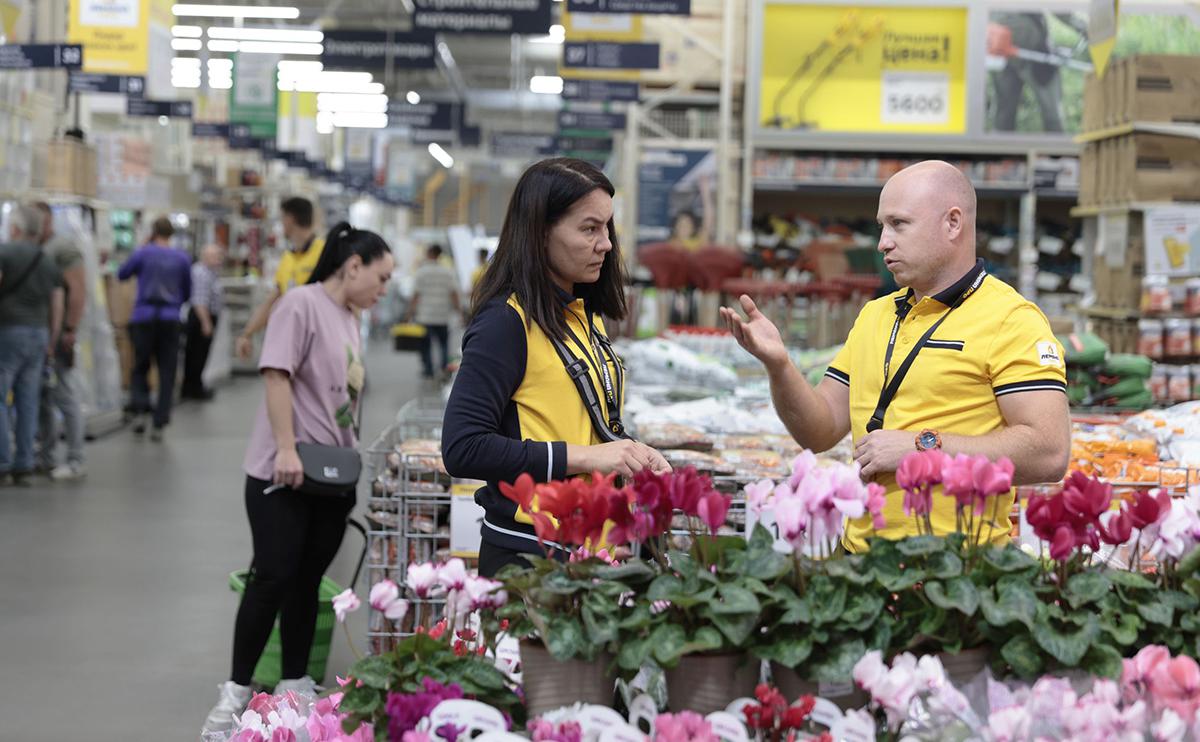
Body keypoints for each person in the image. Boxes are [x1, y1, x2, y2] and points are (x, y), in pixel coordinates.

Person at [721, 160, 1071, 553]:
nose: (882, 242)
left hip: (958, 568)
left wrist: (922, 448)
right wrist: (779, 365)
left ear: (953, 224)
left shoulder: (1012, 320)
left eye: (899, 224)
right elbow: (818, 431)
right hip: (860, 559)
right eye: (882, 226)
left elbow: (1049, 451)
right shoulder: (876, 314)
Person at [201, 223, 394, 734]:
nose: (385, 288)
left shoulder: (350, 316)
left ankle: (294, 688)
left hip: (332, 476)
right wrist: (286, 447)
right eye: (381, 276)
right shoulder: (300, 305)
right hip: (282, 471)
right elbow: (276, 374)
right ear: (353, 266)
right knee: (272, 578)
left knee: (308, 584)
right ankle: (235, 692)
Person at [441, 157, 672, 577]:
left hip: (588, 551)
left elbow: (577, 420)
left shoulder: (583, 316)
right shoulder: (506, 324)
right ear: (540, 232)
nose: (605, 243)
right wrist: (588, 458)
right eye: (589, 229)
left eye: (607, 228)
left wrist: (630, 454)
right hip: (532, 559)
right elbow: (463, 448)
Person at [0, 204, 63, 486]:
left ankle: (2, 460)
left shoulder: (6, 252)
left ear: (15, 228)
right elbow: (57, 303)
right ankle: (24, 463)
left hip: (9, 331)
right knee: (28, 401)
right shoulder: (48, 260)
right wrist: (53, 338)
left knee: (0, 398)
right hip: (38, 334)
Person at [118, 216, 191, 441]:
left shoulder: (143, 253)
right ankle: (160, 420)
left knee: (140, 365)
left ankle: (140, 409)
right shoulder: (181, 258)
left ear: (153, 231)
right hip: (170, 318)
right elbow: (188, 290)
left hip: (144, 316)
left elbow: (122, 274)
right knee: (167, 369)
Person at [33, 202, 88, 481]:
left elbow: (78, 288)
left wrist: (69, 327)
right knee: (43, 397)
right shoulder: (35, 247)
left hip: (58, 333)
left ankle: (76, 458)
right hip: (39, 334)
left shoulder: (63, 248)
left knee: (65, 395)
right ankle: (46, 455)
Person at [236, 197, 325, 360]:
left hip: (320, 346)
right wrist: (246, 334)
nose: (281, 223)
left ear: (290, 219)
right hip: (293, 344)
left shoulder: (324, 253)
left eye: (282, 218)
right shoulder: (288, 258)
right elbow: (271, 300)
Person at [407, 244, 460, 380]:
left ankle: (429, 370)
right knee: (443, 344)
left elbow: (416, 295)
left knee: (425, 345)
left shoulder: (421, 272)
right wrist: (458, 310)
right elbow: (454, 293)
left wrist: (409, 313)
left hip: (425, 316)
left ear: (429, 253)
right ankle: (443, 368)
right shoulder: (447, 272)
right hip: (442, 315)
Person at [182, 244, 225, 401]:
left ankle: (195, 385)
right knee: (196, 354)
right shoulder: (201, 273)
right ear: (205, 257)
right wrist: (206, 323)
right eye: (214, 256)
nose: (218, 259)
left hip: (206, 316)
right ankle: (192, 388)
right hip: (201, 317)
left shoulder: (211, 273)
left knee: (200, 354)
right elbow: (199, 301)